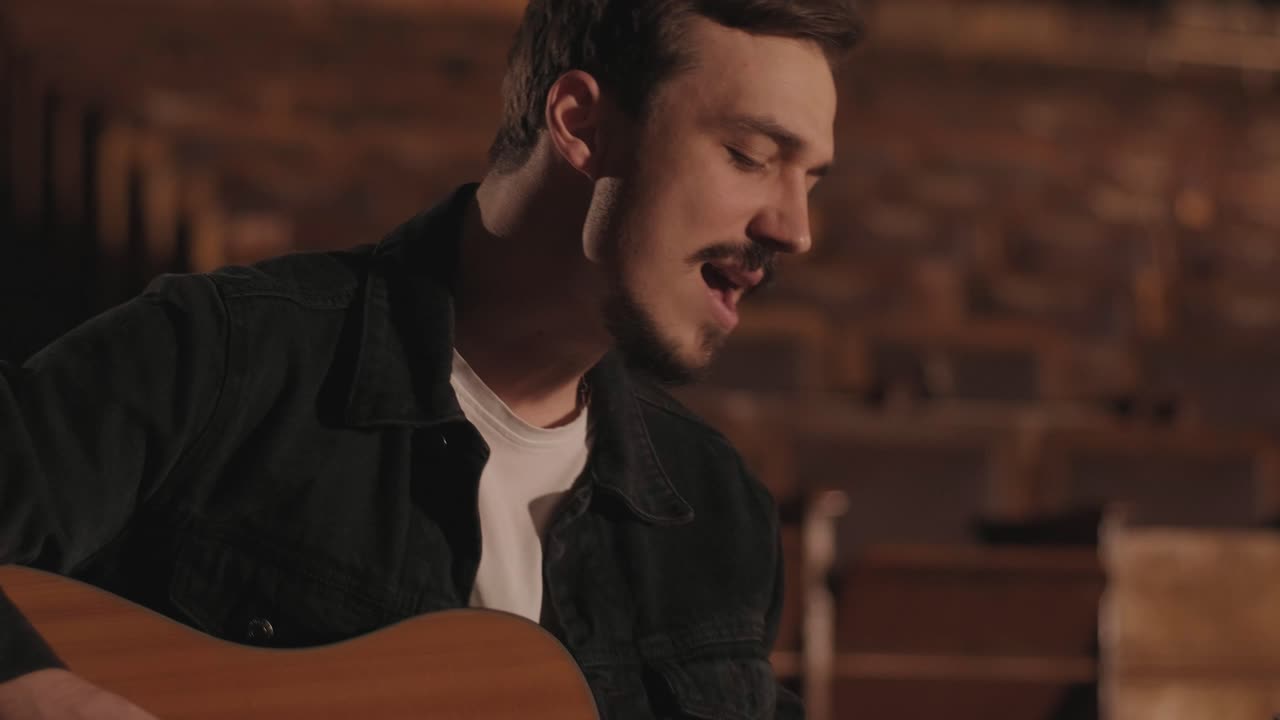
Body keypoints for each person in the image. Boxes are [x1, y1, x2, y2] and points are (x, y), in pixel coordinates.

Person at [0, 0, 859, 717]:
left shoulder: (720, 520)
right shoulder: (222, 360)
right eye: (751, 156)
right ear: (582, 126)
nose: (795, 227)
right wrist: (44, 694)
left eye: (810, 179)